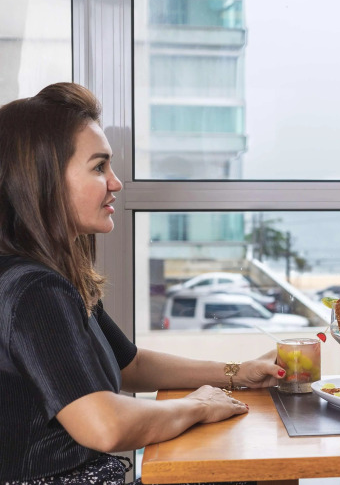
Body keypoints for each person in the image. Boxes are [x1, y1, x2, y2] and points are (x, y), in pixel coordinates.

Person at [0, 82, 285, 484]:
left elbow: (130, 364)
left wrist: (237, 372)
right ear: (42, 180)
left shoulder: (50, 277)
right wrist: (198, 407)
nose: (116, 183)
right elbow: (105, 426)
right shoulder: (34, 290)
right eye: (98, 167)